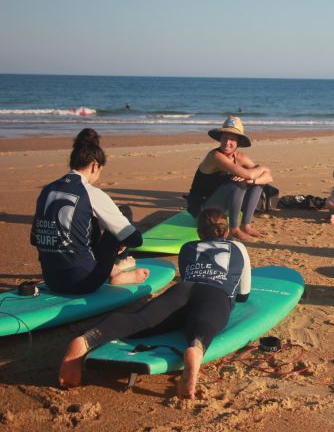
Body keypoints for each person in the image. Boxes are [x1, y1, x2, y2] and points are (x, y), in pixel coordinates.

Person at [58, 208, 252, 398]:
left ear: (199, 232)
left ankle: (86, 340)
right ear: (226, 231)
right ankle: (195, 349)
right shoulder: (239, 248)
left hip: (183, 290)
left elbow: (187, 278)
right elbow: (244, 293)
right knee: (204, 326)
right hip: (215, 294)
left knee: (140, 320)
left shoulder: (187, 248)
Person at [31, 129, 148, 294]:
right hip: (84, 281)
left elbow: (35, 239)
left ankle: (113, 268)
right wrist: (118, 240)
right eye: (100, 170)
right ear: (95, 165)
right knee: (122, 218)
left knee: (85, 224)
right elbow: (135, 240)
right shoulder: (91, 193)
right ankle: (117, 272)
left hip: (51, 280)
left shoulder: (47, 190)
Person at [186, 116, 272, 242]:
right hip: (203, 209)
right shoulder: (215, 156)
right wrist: (261, 169)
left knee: (257, 184)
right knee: (240, 183)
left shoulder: (240, 157)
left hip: (221, 205)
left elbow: (269, 177)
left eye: (232, 139)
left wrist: (254, 180)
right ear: (220, 139)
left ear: (238, 143)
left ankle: (246, 225)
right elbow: (250, 175)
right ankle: (234, 229)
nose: (227, 142)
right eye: (224, 138)